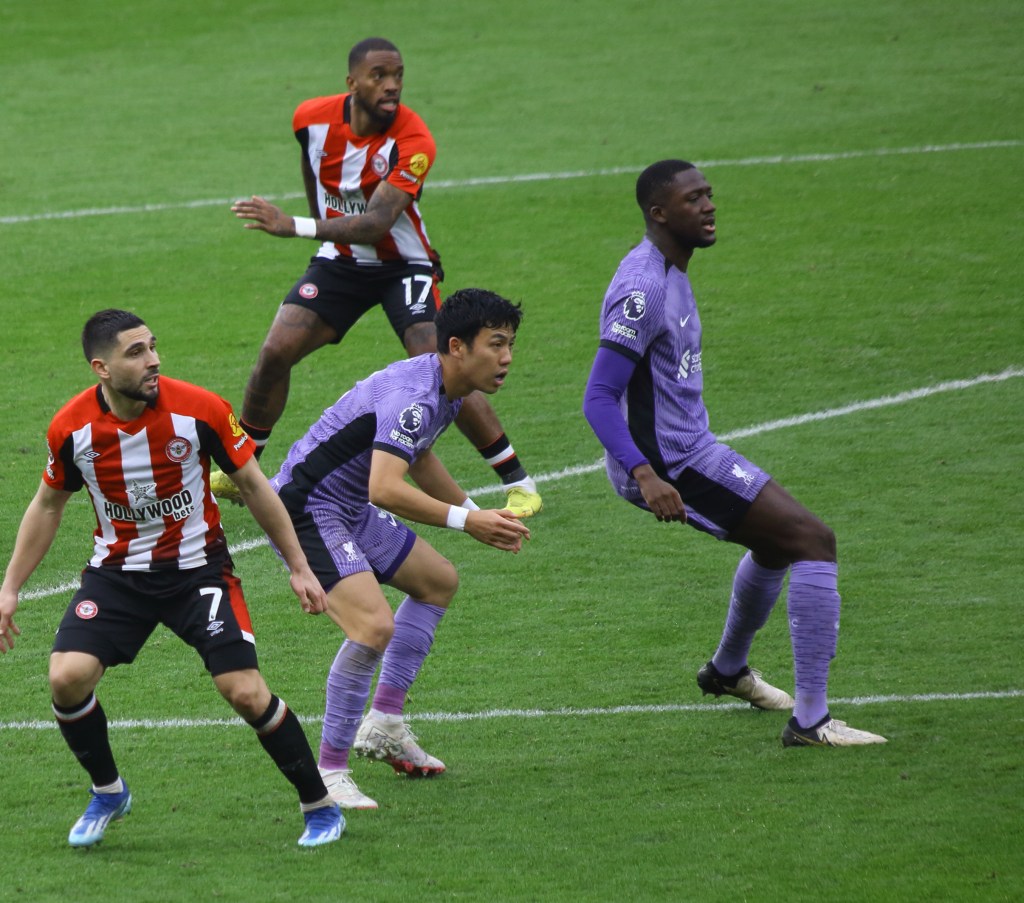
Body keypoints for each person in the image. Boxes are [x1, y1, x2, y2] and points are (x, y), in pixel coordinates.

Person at [0, 309, 344, 848]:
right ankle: (108, 792)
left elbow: (254, 485)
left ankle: (320, 805)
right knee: (66, 677)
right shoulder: (71, 428)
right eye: (136, 352)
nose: (153, 360)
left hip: (198, 571)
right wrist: (10, 587)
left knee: (245, 692)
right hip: (118, 575)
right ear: (102, 368)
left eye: (153, 347)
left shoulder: (200, 409)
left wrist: (299, 566)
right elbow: (48, 504)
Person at [582, 160, 886, 748]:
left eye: (709, 194)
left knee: (775, 543)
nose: (709, 205)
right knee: (813, 541)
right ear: (659, 213)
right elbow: (597, 398)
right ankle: (811, 722)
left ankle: (727, 671)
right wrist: (645, 474)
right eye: (693, 199)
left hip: (688, 448)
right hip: (671, 463)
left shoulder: (671, 269)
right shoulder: (644, 288)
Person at [212, 36, 541, 519]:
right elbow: (313, 167)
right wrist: (321, 226)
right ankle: (244, 469)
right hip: (340, 261)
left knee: (440, 357)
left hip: (402, 263)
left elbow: (377, 224)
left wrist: (296, 225)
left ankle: (519, 482)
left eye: (398, 75)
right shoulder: (310, 118)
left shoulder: (414, 141)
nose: (392, 85)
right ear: (352, 83)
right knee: (276, 350)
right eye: (379, 76)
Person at [269, 288, 530, 809]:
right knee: (373, 627)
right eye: (496, 344)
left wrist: (473, 511)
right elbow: (385, 487)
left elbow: (419, 457)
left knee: (437, 581)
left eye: (510, 345)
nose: (506, 358)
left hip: (346, 505)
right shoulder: (415, 396)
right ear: (457, 346)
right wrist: (468, 520)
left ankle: (386, 722)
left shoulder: (445, 387)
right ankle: (329, 773)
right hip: (305, 509)